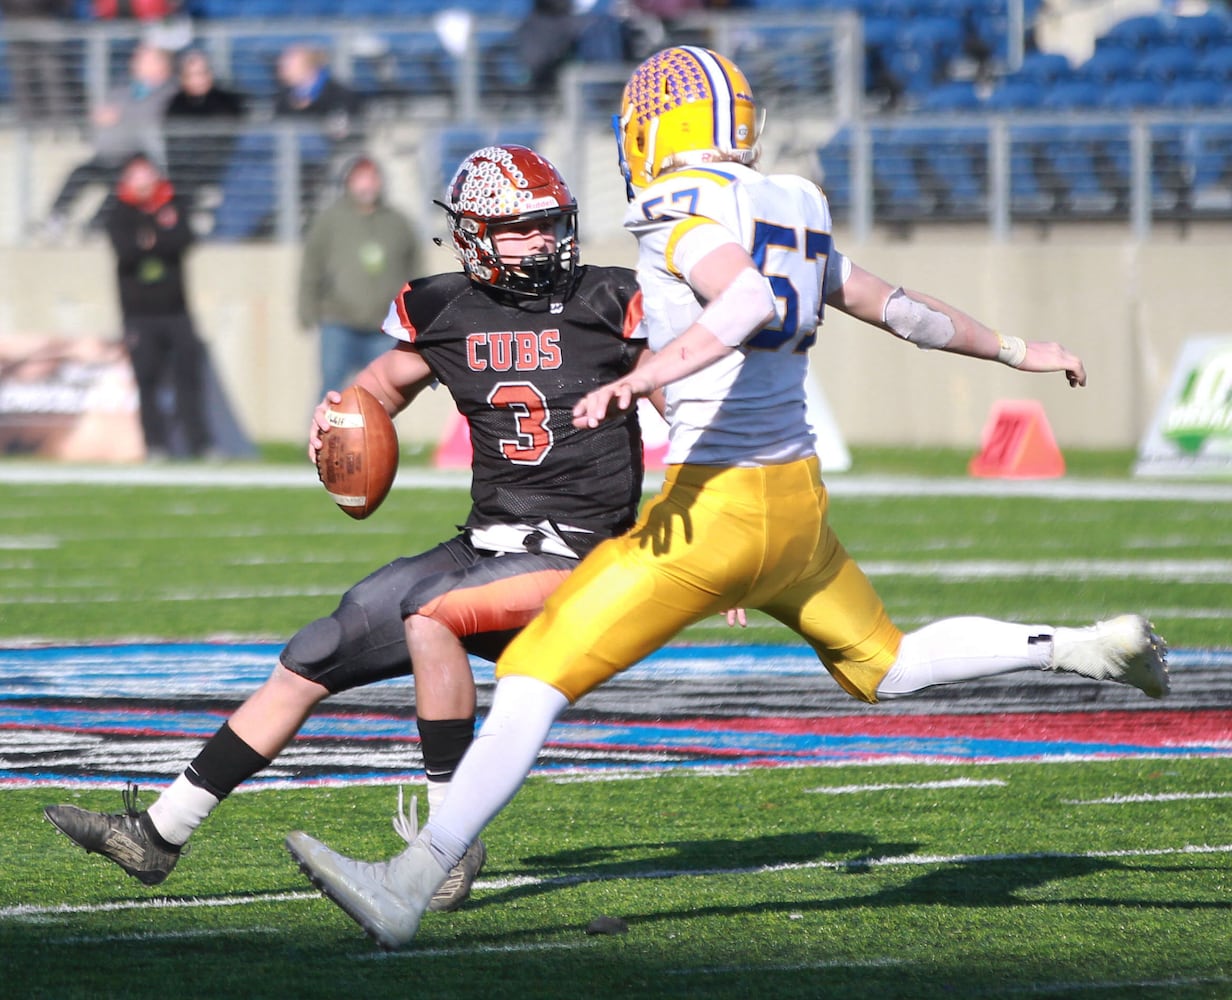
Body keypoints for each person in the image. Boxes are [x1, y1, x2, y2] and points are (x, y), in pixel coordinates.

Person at [283, 46, 1171, 952]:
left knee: (528, 677)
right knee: (888, 664)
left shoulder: (675, 207)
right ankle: (1078, 647)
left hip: (714, 508)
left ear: (649, 127)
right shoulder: (797, 204)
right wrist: (1021, 351)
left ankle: (410, 882)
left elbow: (740, 299)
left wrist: (644, 379)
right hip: (797, 509)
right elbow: (902, 310)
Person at [43, 144, 652, 913]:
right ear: (473, 236)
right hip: (489, 541)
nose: (545, 243)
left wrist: (706, 539)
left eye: (550, 226)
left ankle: (448, 847)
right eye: (523, 230)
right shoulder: (444, 309)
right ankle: (158, 834)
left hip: (581, 556)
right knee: (312, 653)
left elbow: (690, 413)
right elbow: (376, 388)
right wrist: (337, 421)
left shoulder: (611, 300)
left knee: (432, 617)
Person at [103, 153, 214, 461]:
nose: (142, 181)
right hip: (139, 315)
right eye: (135, 175)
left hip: (176, 311)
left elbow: (182, 240)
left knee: (188, 379)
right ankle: (156, 445)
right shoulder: (119, 211)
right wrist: (152, 241)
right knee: (147, 381)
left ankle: (200, 444)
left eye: (146, 174)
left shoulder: (172, 203)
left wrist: (153, 239)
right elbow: (126, 251)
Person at [298, 155, 422, 402]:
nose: (367, 184)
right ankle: (322, 440)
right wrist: (307, 310)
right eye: (360, 178)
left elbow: (415, 272)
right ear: (349, 182)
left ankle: (378, 441)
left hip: (383, 325)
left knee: (383, 395)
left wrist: (415, 315)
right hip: (338, 321)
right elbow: (311, 266)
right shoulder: (330, 220)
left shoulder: (398, 223)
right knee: (331, 389)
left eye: (372, 177)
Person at [42, 43, 176, 238]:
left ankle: (96, 227)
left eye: (143, 58)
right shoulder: (123, 90)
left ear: (162, 64)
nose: (134, 62)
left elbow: (149, 120)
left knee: (126, 185)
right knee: (79, 173)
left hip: (140, 159)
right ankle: (56, 219)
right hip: (108, 156)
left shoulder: (169, 94)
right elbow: (101, 119)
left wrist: (120, 117)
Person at [165, 48, 247, 207]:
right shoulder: (175, 105)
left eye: (203, 73)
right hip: (185, 175)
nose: (199, 79)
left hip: (219, 171)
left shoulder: (227, 101)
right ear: (183, 78)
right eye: (193, 74)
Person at [0, 0, 76, 128]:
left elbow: (65, 5)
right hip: (15, 23)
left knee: (52, 76)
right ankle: (27, 127)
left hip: (45, 21)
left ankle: (59, 126)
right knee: (21, 79)